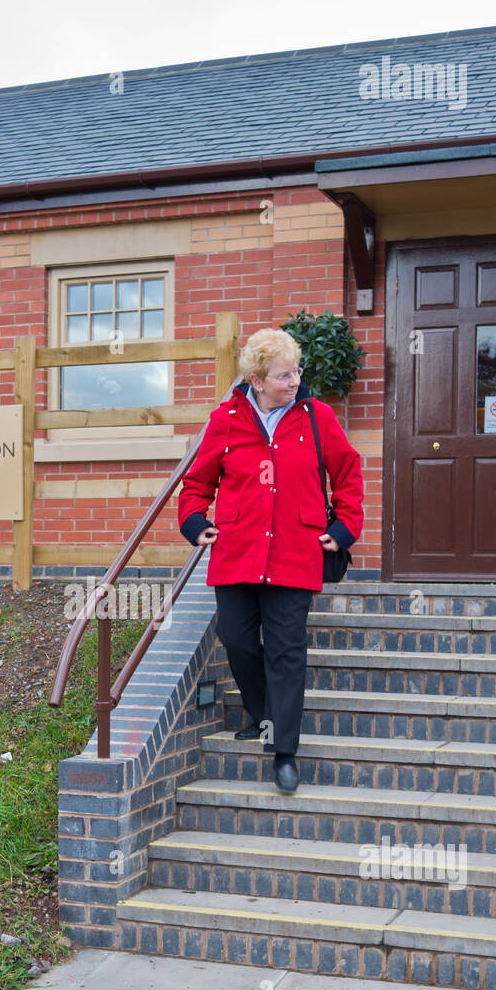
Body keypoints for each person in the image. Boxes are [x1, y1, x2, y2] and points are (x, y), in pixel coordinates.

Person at [177, 327, 364, 793]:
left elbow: (348, 473)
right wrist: (195, 522)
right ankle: (261, 715)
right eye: (283, 375)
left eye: (297, 371)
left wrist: (343, 530)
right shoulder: (225, 419)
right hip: (237, 549)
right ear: (257, 380)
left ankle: (283, 751)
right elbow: (198, 482)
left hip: (296, 553)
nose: (294, 380)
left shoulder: (317, 417)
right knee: (236, 639)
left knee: (285, 651)